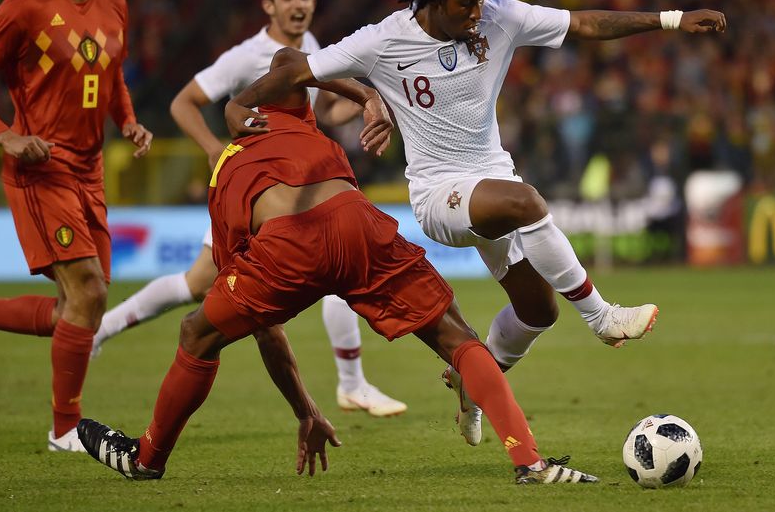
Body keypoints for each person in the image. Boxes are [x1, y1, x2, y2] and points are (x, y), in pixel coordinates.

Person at [226, 0, 727, 445]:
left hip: (491, 185)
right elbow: (296, 68)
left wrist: (670, 19)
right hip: (439, 196)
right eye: (466, 0)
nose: (477, 9)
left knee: (538, 311)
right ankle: (601, 316)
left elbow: (584, 23)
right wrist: (239, 103)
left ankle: (470, 381)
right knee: (526, 202)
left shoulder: (499, 17)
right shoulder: (383, 40)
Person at [77, 68, 598, 485]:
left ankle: (148, 458)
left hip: (286, 244)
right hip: (355, 222)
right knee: (454, 337)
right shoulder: (300, 122)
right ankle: (530, 463)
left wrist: (304, 410)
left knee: (197, 332)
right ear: (292, 105)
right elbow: (292, 66)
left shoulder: (226, 170)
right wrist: (364, 94)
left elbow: (266, 328)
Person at [91, 0, 406, 417]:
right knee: (199, 284)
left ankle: (352, 384)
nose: (299, 5)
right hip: (254, 191)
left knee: (333, 266)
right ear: (268, 6)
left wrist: (369, 106)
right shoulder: (247, 56)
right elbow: (184, 102)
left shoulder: (312, 48)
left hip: (296, 185)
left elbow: (325, 109)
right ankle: (102, 329)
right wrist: (215, 151)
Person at [0, 0, 153, 451]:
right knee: (88, 292)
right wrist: (3, 134)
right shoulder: (22, 8)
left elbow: (113, 74)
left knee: (81, 307)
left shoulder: (115, 3)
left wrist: (127, 120)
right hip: (42, 169)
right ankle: (63, 430)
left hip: (91, 169)